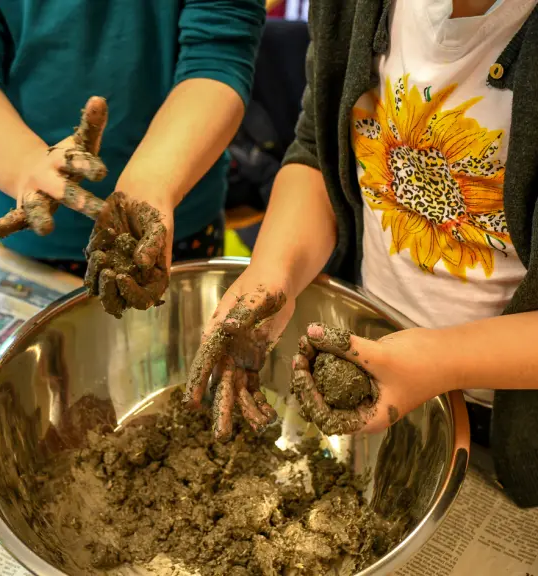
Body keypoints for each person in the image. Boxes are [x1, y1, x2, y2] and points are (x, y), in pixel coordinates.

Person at [185, 0, 538, 507]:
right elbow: (317, 151)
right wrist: (273, 275)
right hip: (375, 365)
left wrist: (440, 362)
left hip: (508, 426)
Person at [0, 0, 266, 307]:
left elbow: (219, 50)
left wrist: (153, 181)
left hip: (178, 213)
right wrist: (22, 163)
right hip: (33, 229)